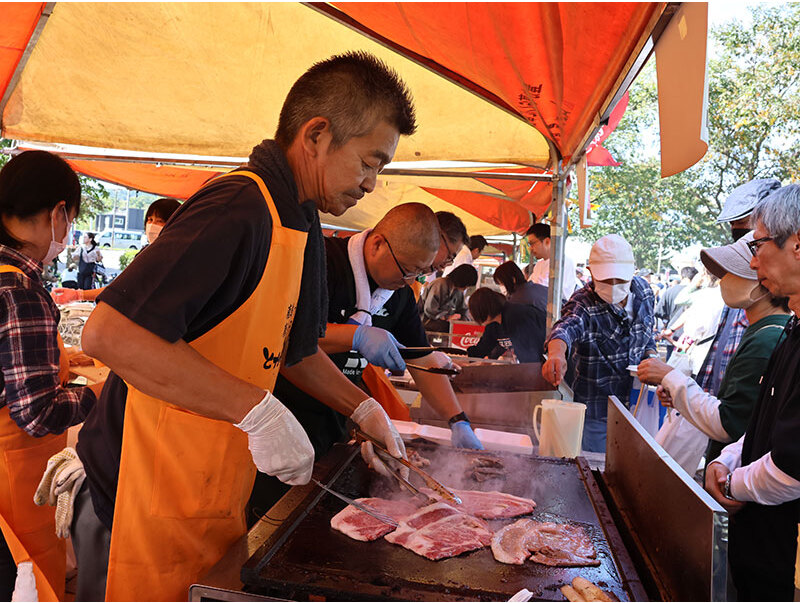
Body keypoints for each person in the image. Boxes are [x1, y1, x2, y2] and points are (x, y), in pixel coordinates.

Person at [74, 51, 417, 601]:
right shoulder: (238, 205)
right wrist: (256, 411)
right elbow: (109, 334)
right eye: (369, 163)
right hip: (141, 484)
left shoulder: (301, 217)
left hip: (212, 484)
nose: (372, 185)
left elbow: (297, 351)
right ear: (317, 135)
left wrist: (363, 408)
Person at [273, 203, 482, 466]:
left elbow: (420, 359)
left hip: (334, 423)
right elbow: (285, 333)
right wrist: (356, 336)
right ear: (377, 245)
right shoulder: (323, 262)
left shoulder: (399, 294)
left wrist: (458, 420)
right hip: (279, 417)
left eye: (420, 273)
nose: (409, 281)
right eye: (406, 270)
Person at [0, 151, 102, 601]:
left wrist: (63, 355)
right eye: (71, 218)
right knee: (28, 583)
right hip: (14, 482)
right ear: (58, 211)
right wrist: (102, 394)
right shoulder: (19, 290)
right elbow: (37, 414)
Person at [702, 184, 800, 601]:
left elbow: (791, 470)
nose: (753, 259)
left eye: (758, 244)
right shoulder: (793, 329)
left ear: (797, 245)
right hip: (757, 555)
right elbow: (763, 422)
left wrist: (732, 486)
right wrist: (727, 459)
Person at [637, 232, 790, 467]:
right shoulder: (762, 330)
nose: (722, 281)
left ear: (762, 280)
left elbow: (728, 424)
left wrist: (670, 377)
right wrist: (679, 394)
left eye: (730, 273)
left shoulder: (765, 339)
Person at [541, 234, 657, 452]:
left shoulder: (645, 293)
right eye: (605, 280)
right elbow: (564, 328)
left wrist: (651, 357)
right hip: (597, 413)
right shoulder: (583, 302)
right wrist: (556, 354)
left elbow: (647, 335)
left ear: (632, 271)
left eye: (620, 280)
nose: (613, 286)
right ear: (591, 272)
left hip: (637, 410)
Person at [694, 178, 781, 397]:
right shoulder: (737, 296)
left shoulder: (780, 316)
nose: (736, 230)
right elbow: (718, 355)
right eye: (733, 225)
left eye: (747, 229)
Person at [51, 198, 181, 304]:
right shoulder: (146, 252)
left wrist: (78, 295)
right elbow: (123, 287)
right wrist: (77, 295)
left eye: (160, 221)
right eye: (150, 220)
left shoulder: (174, 258)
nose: (152, 225)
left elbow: (125, 290)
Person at [466, 287, 546, 362]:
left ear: (483, 310)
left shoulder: (515, 315)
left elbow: (530, 351)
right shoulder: (493, 325)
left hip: (547, 358)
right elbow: (483, 348)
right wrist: (461, 358)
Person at [525, 222, 577, 301]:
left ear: (547, 242)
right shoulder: (539, 265)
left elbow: (541, 290)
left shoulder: (562, 262)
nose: (530, 248)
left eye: (532, 244)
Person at [419, 264, 478, 333]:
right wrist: (448, 317)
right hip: (428, 326)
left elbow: (463, 310)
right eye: (466, 285)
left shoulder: (458, 291)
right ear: (462, 280)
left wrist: (462, 318)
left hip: (445, 328)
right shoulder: (440, 284)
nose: (466, 288)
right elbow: (430, 310)